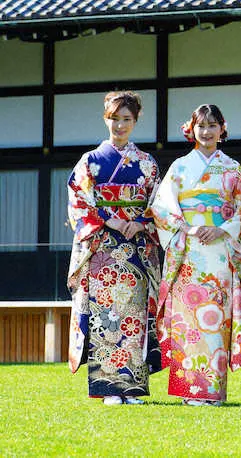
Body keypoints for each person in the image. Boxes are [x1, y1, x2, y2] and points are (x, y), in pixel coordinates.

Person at [150, 104, 241, 406]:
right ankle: (190, 389)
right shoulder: (180, 167)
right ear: (191, 129)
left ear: (222, 129)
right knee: (188, 319)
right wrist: (189, 227)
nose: (206, 132)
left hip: (220, 252)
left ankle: (213, 389)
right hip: (190, 250)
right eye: (201, 126)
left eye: (212, 126)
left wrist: (222, 229)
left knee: (216, 319)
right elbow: (162, 207)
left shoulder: (231, 168)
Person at [66, 91, 162, 405]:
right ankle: (109, 387)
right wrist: (111, 219)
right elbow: (79, 201)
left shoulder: (147, 163)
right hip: (104, 246)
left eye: (126, 120)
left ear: (135, 122)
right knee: (106, 314)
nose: (119, 125)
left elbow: (159, 205)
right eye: (114, 119)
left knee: (132, 315)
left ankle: (131, 387)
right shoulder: (90, 161)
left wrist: (142, 222)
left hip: (135, 246)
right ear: (105, 118)